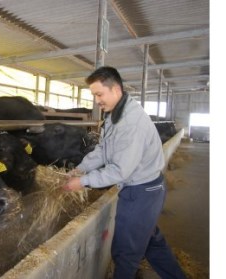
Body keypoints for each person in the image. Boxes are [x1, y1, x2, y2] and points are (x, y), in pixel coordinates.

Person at [64, 66, 186, 279]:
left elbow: (119, 171)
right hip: (143, 188)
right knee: (150, 241)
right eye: (94, 95)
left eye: (99, 94)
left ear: (116, 89)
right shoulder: (114, 115)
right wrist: (81, 168)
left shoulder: (131, 123)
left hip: (142, 192)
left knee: (125, 252)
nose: (97, 100)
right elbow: (103, 149)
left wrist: (83, 181)